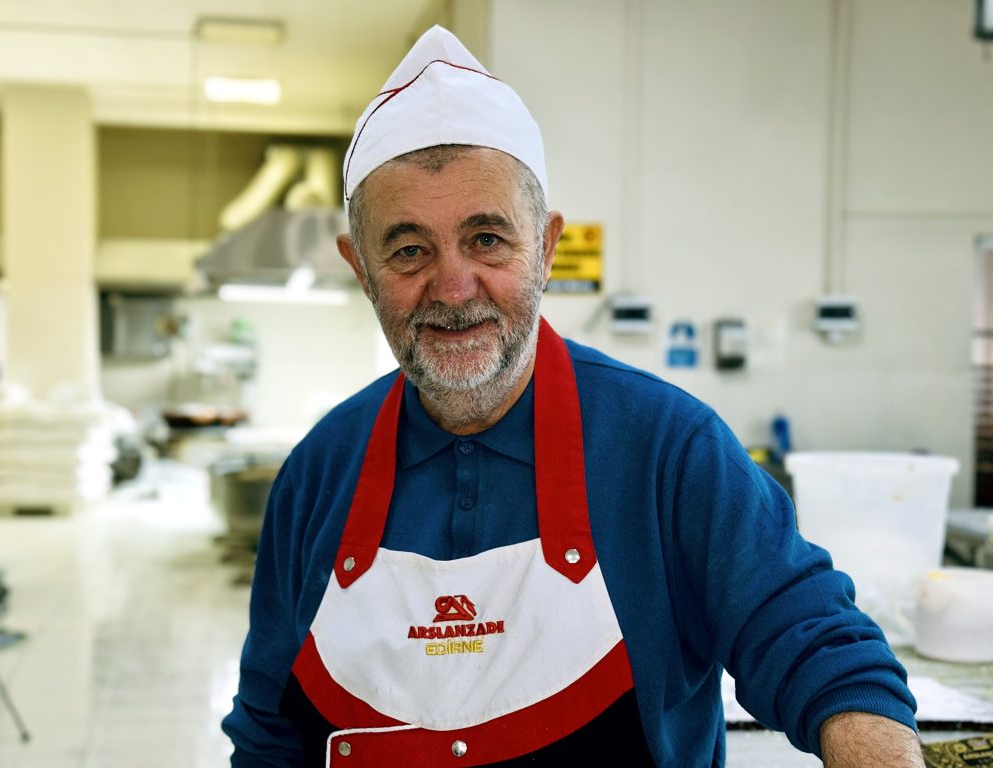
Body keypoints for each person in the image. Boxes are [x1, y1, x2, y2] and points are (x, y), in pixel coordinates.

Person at [223, 25, 922, 767]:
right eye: (408, 250)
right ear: (361, 269)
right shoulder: (318, 474)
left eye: (487, 240)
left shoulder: (668, 449)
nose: (453, 289)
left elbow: (818, 647)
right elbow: (270, 734)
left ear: (547, 247)